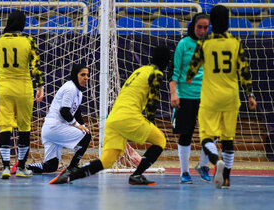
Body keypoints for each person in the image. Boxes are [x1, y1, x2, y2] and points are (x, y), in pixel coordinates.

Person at [49, 45, 171, 185]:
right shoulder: (157, 73)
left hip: (113, 118)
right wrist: (151, 122)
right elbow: (152, 102)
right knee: (161, 140)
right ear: (166, 61)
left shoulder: (141, 70)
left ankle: (70, 175)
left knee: (106, 161)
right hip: (129, 117)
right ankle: (136, 175)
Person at [186, 5, 257, 188]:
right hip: (231, 97)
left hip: (211, 98)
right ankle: (226, 178)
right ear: (227, 21)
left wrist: (189, 77)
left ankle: (215, 159)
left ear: (211, 22)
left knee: (206, 136)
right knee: (228, 139)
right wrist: (250, 95)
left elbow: (193, 67)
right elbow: (244, 70)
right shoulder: (235, 42)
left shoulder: (204, 42)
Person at [0, 10, 44, 179]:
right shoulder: (28, 40)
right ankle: (21, 167)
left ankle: (6, 167)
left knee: (5, 126)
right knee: (24, 127)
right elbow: (36, 66)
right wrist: (40, 87)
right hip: (23, 88)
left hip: (3, 88)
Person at [24, 64, 91, 174]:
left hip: (51, 129)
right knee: (86, 136)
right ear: (75, 75)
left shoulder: (79, 93)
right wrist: (77, 126)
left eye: (87, 75)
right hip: (55, 127)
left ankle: (26, 167)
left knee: (51, 166)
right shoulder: (70, 88)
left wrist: (83, 126)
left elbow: (77, 112)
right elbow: (64, 111)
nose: (86, 78)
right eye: (82, 74)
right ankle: (72, 167)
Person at [170, 13, 211, 184]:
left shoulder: (210, 45)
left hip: (207, 96)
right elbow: (175, 71)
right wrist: (174, 93)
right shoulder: (184, 44)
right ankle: (184, 172)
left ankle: (203, 165)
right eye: (199, 27)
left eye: (205, 27)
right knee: (186, 134)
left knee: (211, 133)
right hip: (185, 95)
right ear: (192, 26)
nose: (202, 31)